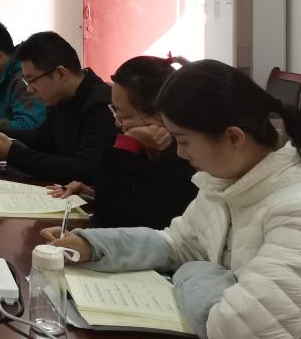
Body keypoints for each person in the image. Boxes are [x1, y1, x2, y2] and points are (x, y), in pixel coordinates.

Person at [43, 60, 301, 339]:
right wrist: (92, 246)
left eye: (184, 141)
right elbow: (176, 243)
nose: (180, 152)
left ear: (233, 138)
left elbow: (241, 335)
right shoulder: (225, 180)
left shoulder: (295, 208)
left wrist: (191, 270)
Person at [48, 55, 198, 229]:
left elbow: (111, 220)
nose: (117, 123)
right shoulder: (147, 148)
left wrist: (127, 143)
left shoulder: (185, 161)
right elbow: (133, 202)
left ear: (159, 114)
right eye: (115, 111)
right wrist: (95, 194)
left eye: (125, 116)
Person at [0, 31, 115, 185]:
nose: (29, 89)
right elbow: (41, 139)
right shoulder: (61, 98)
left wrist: (12, 154)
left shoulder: (101, 105)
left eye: (32, 80)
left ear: (60, 74)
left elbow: (85, 171)